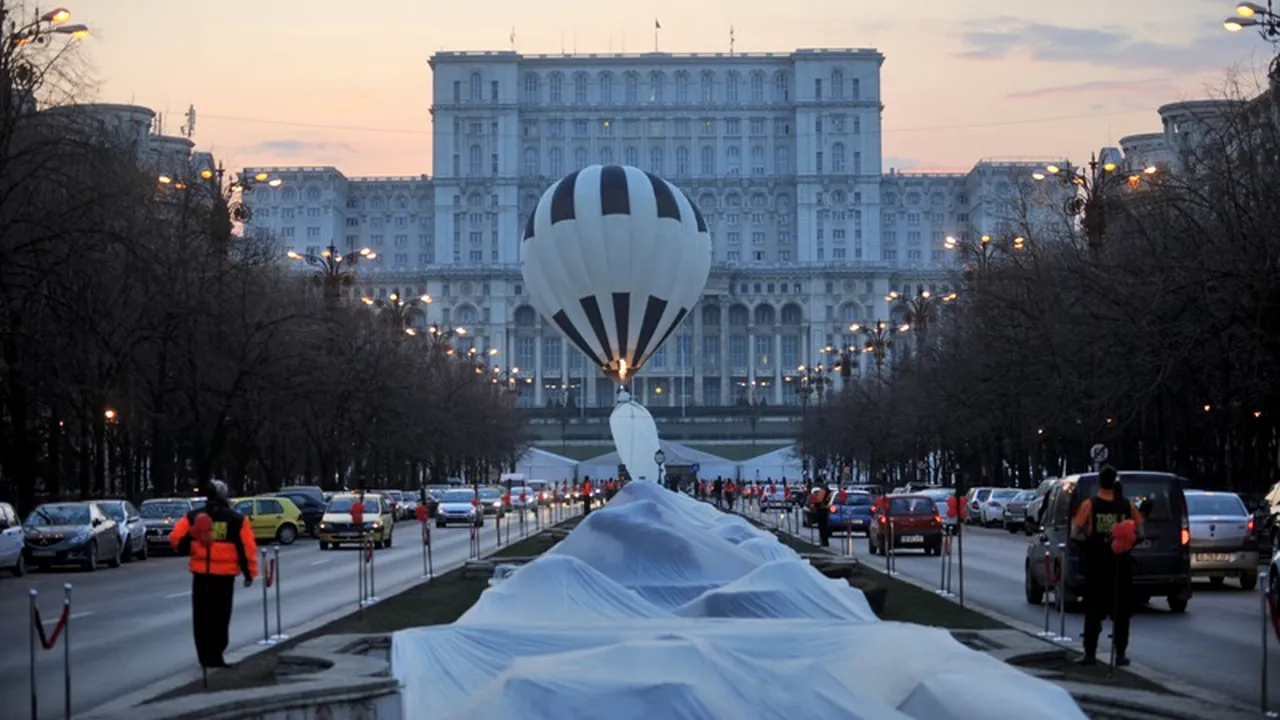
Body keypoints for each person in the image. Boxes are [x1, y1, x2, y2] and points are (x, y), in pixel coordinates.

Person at [169, 479, 258, 671]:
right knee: (221, 617)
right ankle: (217, 654)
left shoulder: (193, 516)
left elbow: (176, 538)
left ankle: (204, 656)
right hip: (224, 577)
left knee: (201, 617)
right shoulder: (236, 519)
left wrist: (190, 545)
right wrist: (249, 573)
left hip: (201, 575)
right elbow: (247, 548)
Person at [1071, 465, 1144, 667]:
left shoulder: (1090, 504)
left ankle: (1090, 654)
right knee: (1121, 613)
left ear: (1099, 483)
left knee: (1093, 610)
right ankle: (1120, 654)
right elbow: (1141, 532)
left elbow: (1075, 534)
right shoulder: (1127, 505)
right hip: (1121, 566)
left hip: (1097, 566)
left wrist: (1089, 541)